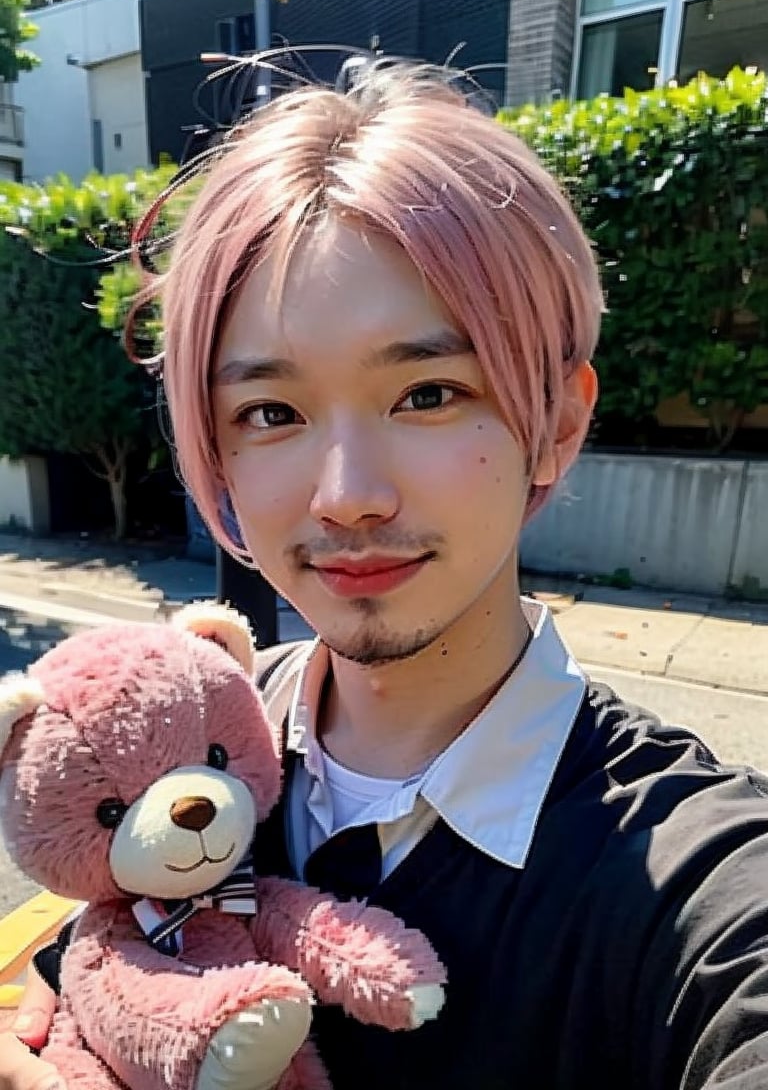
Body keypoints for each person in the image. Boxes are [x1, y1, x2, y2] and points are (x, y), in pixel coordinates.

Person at [3, 59, 768, 1090]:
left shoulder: (699, 885)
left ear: (559, 422)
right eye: (271, 412)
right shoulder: (196, 731)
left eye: (429, 392)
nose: (347, 495)